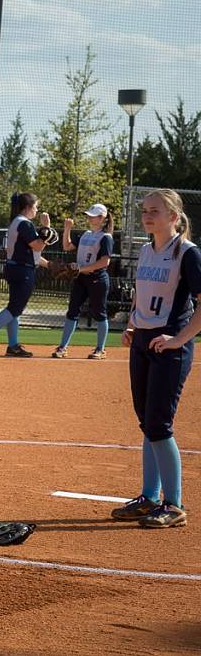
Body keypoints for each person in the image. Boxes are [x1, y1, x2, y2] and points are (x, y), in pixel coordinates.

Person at [111, 189, 200, 529]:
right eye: (145, 211)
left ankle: (174, 504)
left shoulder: (187, 253)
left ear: (174, 217)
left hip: (170, 346)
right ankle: (149, 496)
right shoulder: (148, 250)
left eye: (155, 211)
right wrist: (134, 324)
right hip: (143, 342)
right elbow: (142, 295)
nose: (147, 216)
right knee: (146, 422)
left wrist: (179, 339)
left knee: (160, 425)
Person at [0, 192, 51, 357]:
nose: (37, 210)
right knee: (14, 308)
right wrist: (47, 228)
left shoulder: (15, 222)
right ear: (28, 207)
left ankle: (13, 345)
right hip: (22, 270)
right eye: (35, 207)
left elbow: (31, 249)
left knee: (15, 308)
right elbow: (37, 246)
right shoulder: (24, 223)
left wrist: (48, 263)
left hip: (15, 267)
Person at [51, 203, 113, 360]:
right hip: (81, 278)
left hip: (97, 279)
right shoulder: (86, 234)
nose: (90, 218)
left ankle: (100, 349)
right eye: (89, 215)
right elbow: (66, 246)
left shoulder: (106, 237)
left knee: (99, 313)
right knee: (72, 312)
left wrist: (81, 268)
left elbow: (104, 262)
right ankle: (63, 347)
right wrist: (67, 228)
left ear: (102, 218)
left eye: (94, 216)